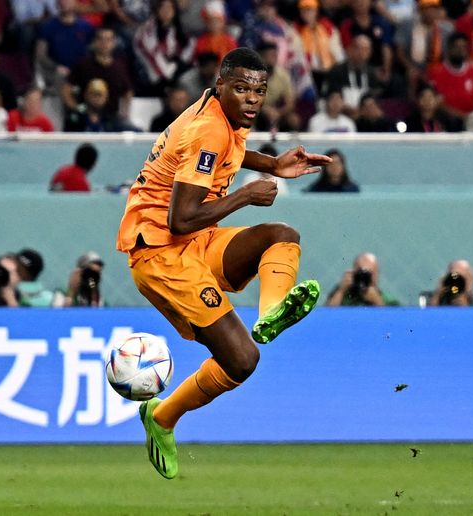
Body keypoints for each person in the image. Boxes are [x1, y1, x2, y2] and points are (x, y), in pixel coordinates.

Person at [116, 48, 330, 479]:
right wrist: (246, 195)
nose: (252, 98)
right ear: (221, 86)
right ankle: (161, 419)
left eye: (259, 90)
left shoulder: (221, 116)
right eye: (242, 88)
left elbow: (225, 154)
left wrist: (273, 164)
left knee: (281, 235)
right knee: (242, 361)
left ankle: (272, 313)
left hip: (195, 240)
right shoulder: (208, 131)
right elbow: (180, 217)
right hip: (161, 252)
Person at [63, 26, 133, 124]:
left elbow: (128, 91)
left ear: (114, 43)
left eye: (108, 40)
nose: (104, 44)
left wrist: (124, 112)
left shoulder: (120, 66)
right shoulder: (84, 64)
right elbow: (66, 90)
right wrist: (78, 109)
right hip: (84, 118)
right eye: (101, 39)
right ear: (95, 42)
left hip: (111, 119)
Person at [426, 32, 473, 119]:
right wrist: (461, 117)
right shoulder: (435, 72)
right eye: (457, 47)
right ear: (449, 49)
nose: (460, 50)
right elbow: (434, 100)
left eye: (464, 47)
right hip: (445, 119)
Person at [325, 252, 399, 306]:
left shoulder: (388, 300)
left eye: (368, 274)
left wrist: (377, 302)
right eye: (360, 273)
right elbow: (326, 316)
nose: (364, 277)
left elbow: (395, 322)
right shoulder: (343, 296)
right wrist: (341, 290)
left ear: (377, 275)